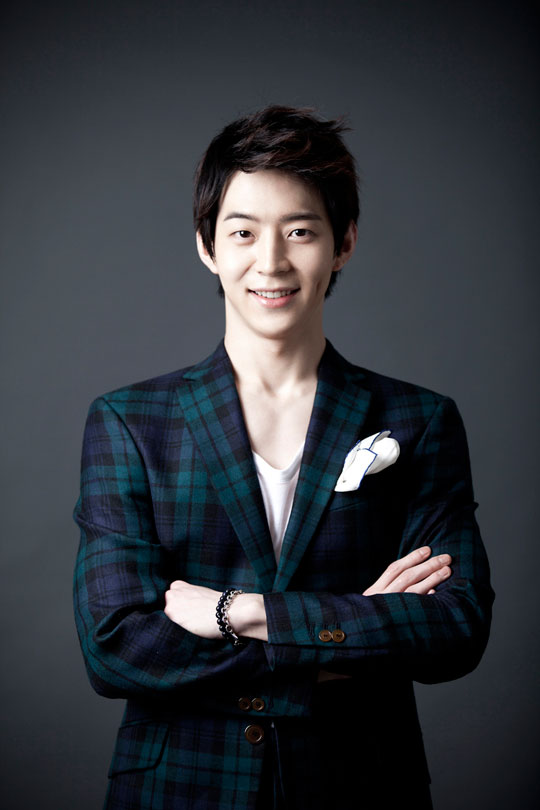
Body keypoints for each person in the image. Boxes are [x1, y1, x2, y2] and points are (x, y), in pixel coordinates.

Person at [73, 105, 494, 810]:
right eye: (243, 232)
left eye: (300, 231)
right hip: (181, 788)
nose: (270, 262)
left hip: (361, 786)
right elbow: (116, 647)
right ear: (208, 246)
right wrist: (349, 635)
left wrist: (236, 611)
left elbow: (455, 628)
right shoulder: (130, 421)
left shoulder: (418, 421)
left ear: (344, 242)